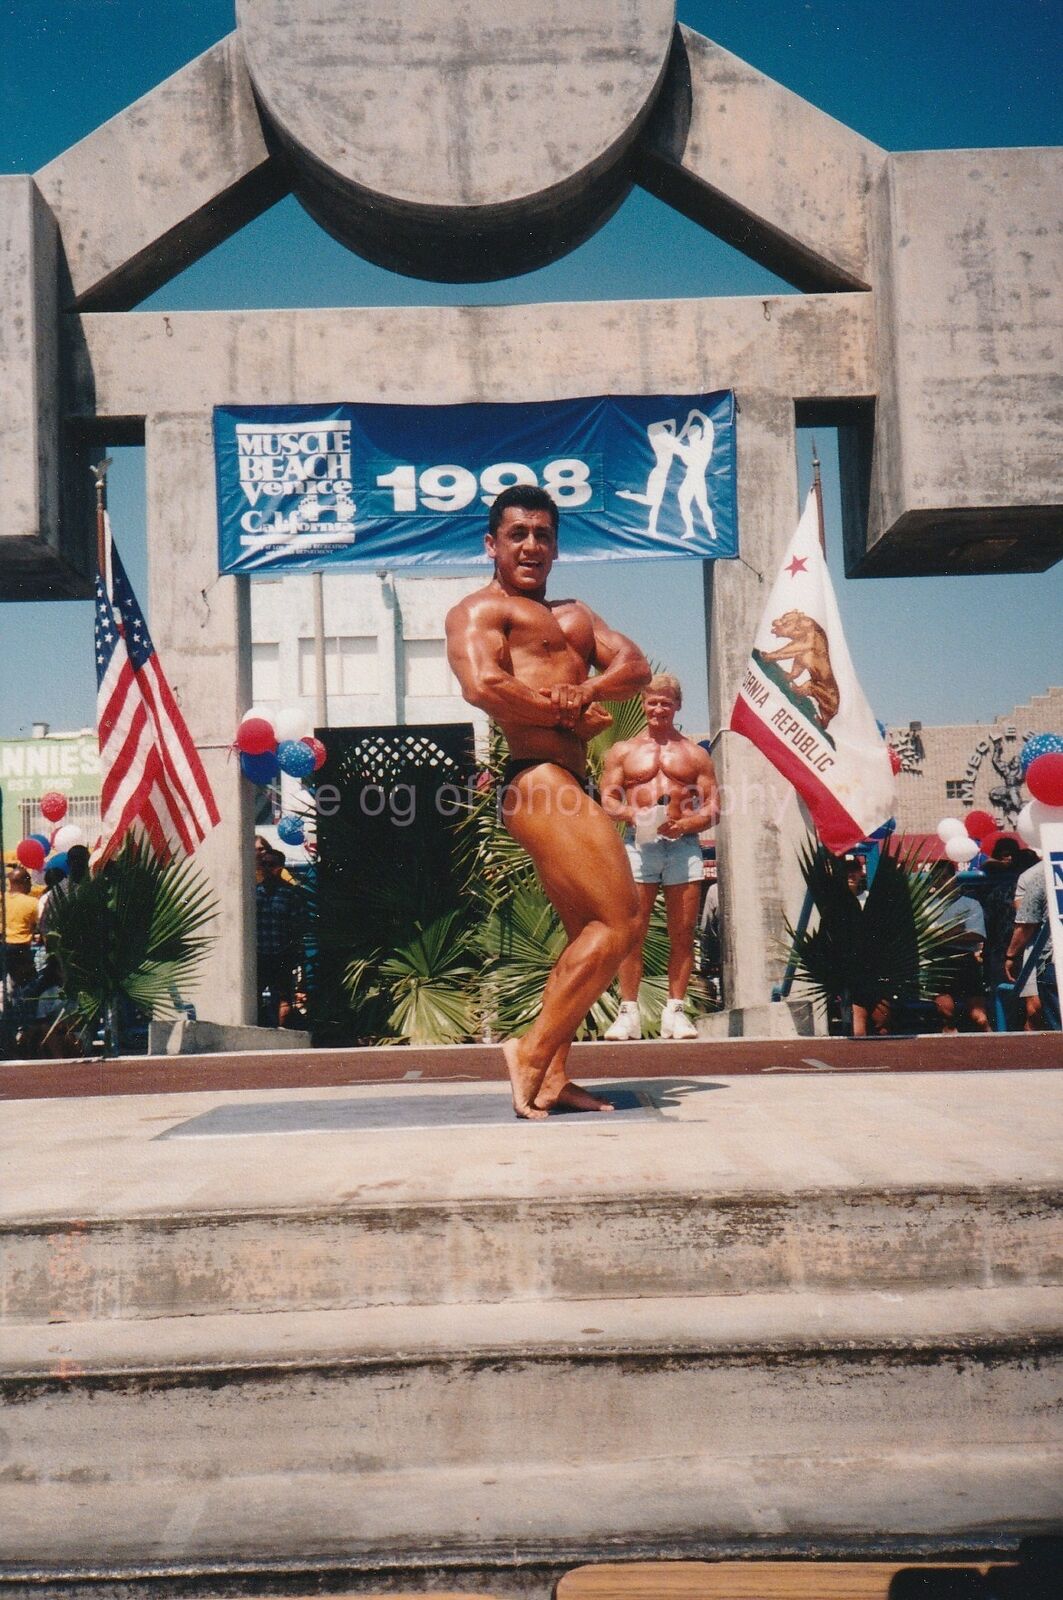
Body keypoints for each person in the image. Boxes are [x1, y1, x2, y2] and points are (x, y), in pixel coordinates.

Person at [445, 483, 651, 1119]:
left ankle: (556, 1078)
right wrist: (559, 712)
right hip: (535, 780)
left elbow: (637, 669)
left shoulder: (576, 617)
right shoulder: (479, 612)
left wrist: (582, 693)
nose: (531, 545)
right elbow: (484, 687)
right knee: (620, 923)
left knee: (581, 935)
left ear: (557, 546)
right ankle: (530, 1051)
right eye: (517, 535)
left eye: (542, 534)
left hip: (569, 779)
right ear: (492, 544)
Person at [598, 674, 719, 1040]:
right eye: (653, 702)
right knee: (632, 930)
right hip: (639, 843)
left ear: (677, 706)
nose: (658, 708)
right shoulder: (624, 750)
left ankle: (675, 1011)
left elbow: (714, 805)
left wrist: (688, 824)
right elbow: (607, 798)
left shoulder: (695, 754)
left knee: (683, 932)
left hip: (683, 845)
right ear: (643, 704)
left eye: (666, 702)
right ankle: (628, 1013)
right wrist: (633, 815)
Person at [931, 862, 991, 1034]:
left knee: (979, 1017)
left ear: (953, 878)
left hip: (965, 960)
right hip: (938, 961)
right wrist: (956, 931)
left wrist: (945, 935)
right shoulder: (928, 906)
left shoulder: (970, 904)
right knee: (946, 1012)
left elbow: (978, 934)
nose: (940, 882)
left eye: (944, 878)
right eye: (937, 878)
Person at [1004, 858, 1060, 1032]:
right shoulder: (1036, 875)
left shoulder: (1040, 875)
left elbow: (1027, 923)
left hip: (1055, 960)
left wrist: (1011, 956)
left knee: (1057, 1028)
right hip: (1054, 958)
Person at [256, 846, 305, 1027]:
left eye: (272, 864)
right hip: (259, 955)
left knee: (283, 997)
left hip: (281, 954)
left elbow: (298, 925)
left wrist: (293, 952)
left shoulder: (290, 894)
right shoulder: (253, 893)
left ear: (280, 867)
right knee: (254, 996)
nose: (267, 868)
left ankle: (283, 1033)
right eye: (264, 864)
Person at [2, 865, 39, 989]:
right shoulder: (32, 902)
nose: (31, 886)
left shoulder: (2, 899)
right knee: (27, 985)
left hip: (2, 944)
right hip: (20, 949)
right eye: (29, 882)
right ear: (23, 883)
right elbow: (38, 924)